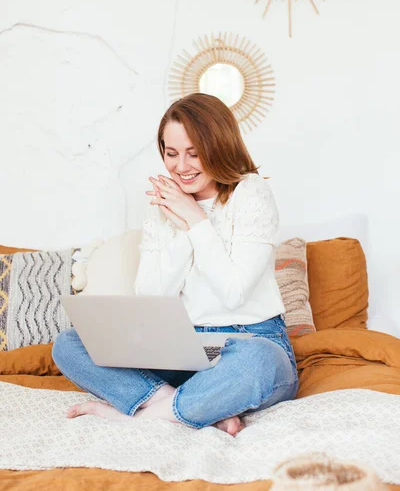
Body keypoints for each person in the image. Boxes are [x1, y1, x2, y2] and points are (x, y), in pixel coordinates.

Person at [52, 93, 299, 437]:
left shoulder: (251, 193)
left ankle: (139, 416)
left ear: (219, 146)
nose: (181, 167)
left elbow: (234, 293)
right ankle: (190, 405)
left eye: (194, 153)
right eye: (171, 154)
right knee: (69, 344)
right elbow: (153, 296)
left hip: (249, 341)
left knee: (257, 364)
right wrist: (182, 227)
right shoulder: (164, 204)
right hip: (181, 348)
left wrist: (196, 220)